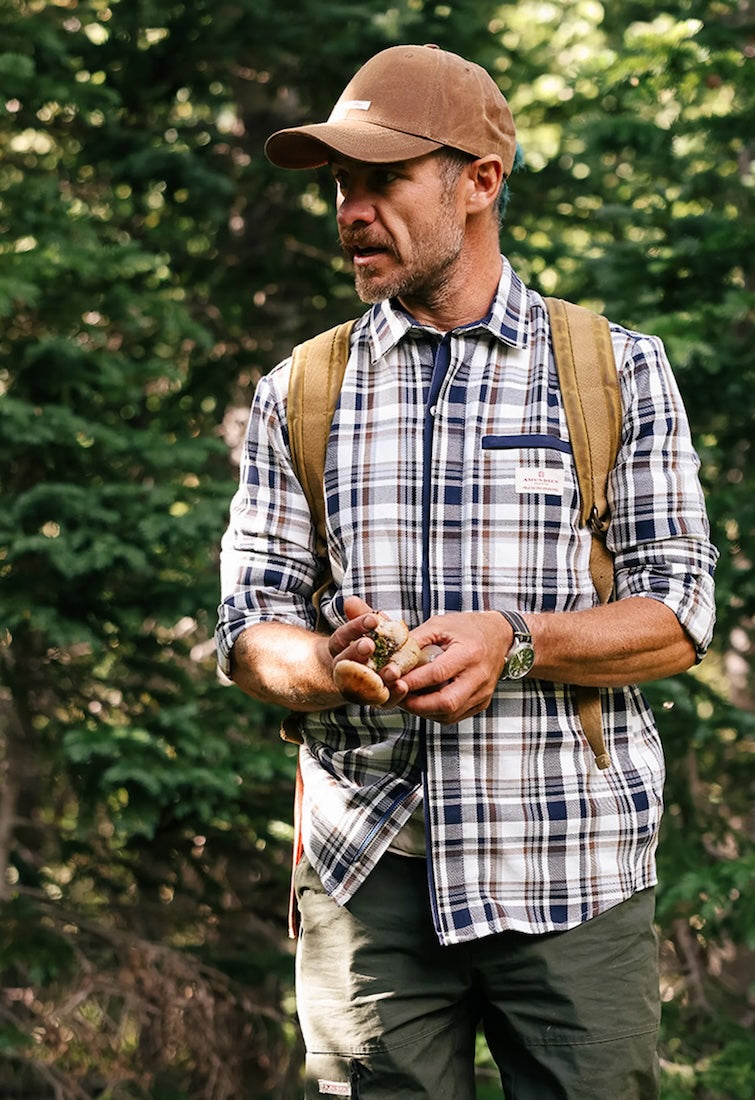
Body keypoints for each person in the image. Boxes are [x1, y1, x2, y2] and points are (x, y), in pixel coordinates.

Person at [216, 43, 717, 1100]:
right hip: (365, 882)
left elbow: (678, 612)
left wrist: (516, 640)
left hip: (572, 873)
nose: (350, 209)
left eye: (382, 179)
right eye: (339, 186)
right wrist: (320, 663)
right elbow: (247, 628)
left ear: (479, 180)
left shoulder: (615, 368)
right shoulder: (298, 390)